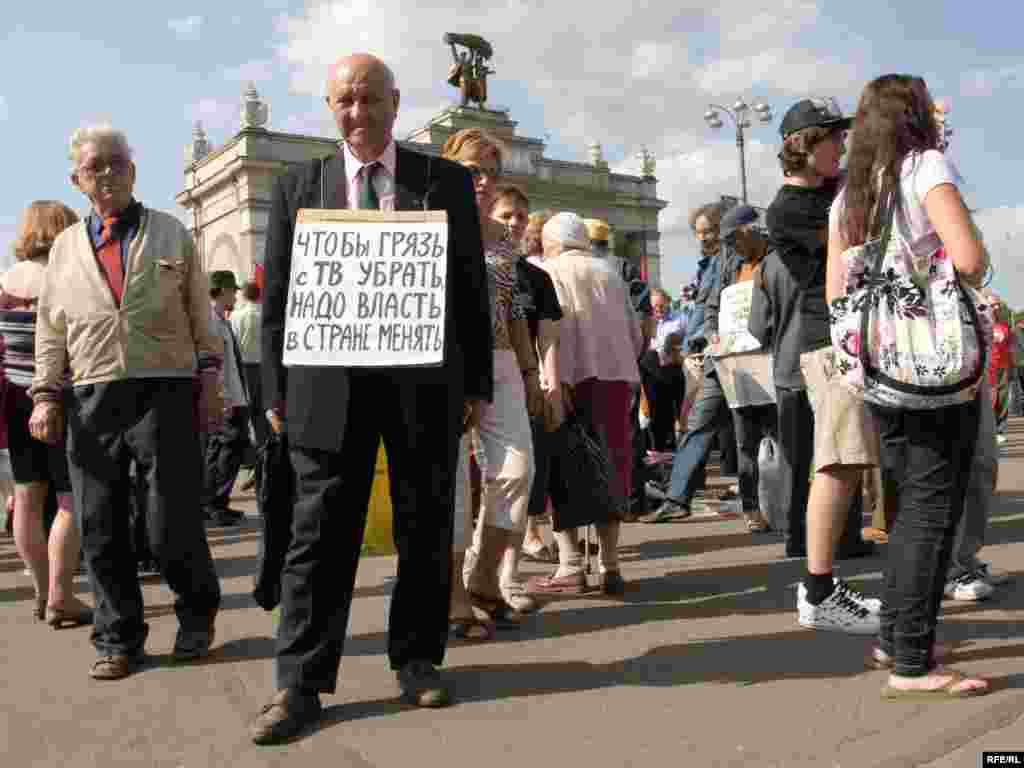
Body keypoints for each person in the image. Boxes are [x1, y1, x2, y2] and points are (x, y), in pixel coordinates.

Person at [250, 53, 493, 744]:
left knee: (424, 524)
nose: (357, 113)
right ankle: (298, 682)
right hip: (326, 390)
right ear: (332, 108)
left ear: (394, 101)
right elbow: (279, 301)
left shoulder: (440, 180)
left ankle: (417, 660)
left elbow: (470, 287)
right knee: (317, 535)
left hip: (424, 385)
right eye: (344, 102)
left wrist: (476, 381)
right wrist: (275, 389)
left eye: (369, 99)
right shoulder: (301, 185)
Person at [31, 124, 223, 680]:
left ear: (134, 170)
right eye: (96, 167)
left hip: (164, 387)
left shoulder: (170, 234)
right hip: (91, 394)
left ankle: (195, 614)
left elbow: (200, 316)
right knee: (99, 522)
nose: (108, 173)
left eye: (117, 162)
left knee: (170, 521)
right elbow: (50, 330)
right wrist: (45, 394)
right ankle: (118, 639)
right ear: (77, 180)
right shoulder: (65, 248)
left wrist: (210, 381)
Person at [828, 74, 990, 696]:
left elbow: (836, 292)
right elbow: (970, 260)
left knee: (908, 504)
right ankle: (912, 665)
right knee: (932, 508)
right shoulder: (925, 166)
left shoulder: (850, 193)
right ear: (916, 115)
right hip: (937, 365)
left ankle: (898, 638)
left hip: (878, 365)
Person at [761, 99, 880, 633]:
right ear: (802, 145)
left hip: (857, 333)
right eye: (832, 136)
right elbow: (850, 254)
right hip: (827, 341)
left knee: (852, 462)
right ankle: (818, 588)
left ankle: (828, 583)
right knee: (837, 461)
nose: (843, 144)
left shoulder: (836, 193)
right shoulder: (788, 209)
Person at [441, 130, 536, 620]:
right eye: (473, 170)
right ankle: (454, 596)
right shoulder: (431, 225)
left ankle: (483, 577)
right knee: (454, 483)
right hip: (448, 363)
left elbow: (516, 307)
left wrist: (531, 371)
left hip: (501, 362)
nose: (484, 181)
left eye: (492, 173)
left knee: (517, 472)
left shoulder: (503, 237)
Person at [529, 212, 644, 595]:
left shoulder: (549, 272)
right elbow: (635, 334)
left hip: (565, 381)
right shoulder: (610, 272)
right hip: (613, 381)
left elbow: (548, 333)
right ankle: (611, 565)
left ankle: (570, 565)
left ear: (553, 242)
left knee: (566, 470)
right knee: (610, 466)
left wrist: (549, 380)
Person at [1, 201, 92, 628]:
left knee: (26, 499)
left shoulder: (5, 283)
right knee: (69, 500)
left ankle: (40, 593)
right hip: (63, 398)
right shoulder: (67, 277)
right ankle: (61, 594)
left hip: (16, 400)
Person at [642, 202, 729, 523]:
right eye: (700, 233)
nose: (704, 238)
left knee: (745, 433)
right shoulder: (706, 265)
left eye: (710, 231)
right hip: (703, 359)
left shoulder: (728, 260)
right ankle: (677, 498)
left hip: (724, 355)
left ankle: (760, 503)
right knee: (697, 426)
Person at [491, 185, 563, 565]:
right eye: (506, 215)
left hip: (524, 378)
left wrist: (548, 384)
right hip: (481, 380)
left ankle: (526, 539)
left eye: (520, 215)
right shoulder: (475, 263)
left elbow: (548, 338)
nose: (515, 223)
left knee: (523, 467)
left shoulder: (537, 277)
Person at [705, 204, 777, 532]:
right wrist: (712, 336)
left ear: (749, 230)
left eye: (733, 239)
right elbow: (712, 307)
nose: (731, 247)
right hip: (736, 366)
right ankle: (752, 509)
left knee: (782, 439)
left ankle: (784, 506)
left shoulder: (775, 260)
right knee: (745, 441)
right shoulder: (730, 266)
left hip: (771, 361)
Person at [204, 271, 249, 525]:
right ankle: (215, 502)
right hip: (227, 398)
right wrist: (225, 398)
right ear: (221, 291)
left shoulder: (220, 319)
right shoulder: (212, 321)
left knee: (222, 450)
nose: (235, 295)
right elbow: (215, 365)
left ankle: (216, 501)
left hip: (231, 395)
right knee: (228, 450)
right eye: (233, 290)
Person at [230, 280, 266, 489]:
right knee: (261, 414)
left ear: (244, 294)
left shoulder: (236, 316)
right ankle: (262, 456)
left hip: (243, 367)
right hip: (261, 366)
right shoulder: (262, 313)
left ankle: (252, 458)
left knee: (246, 413)